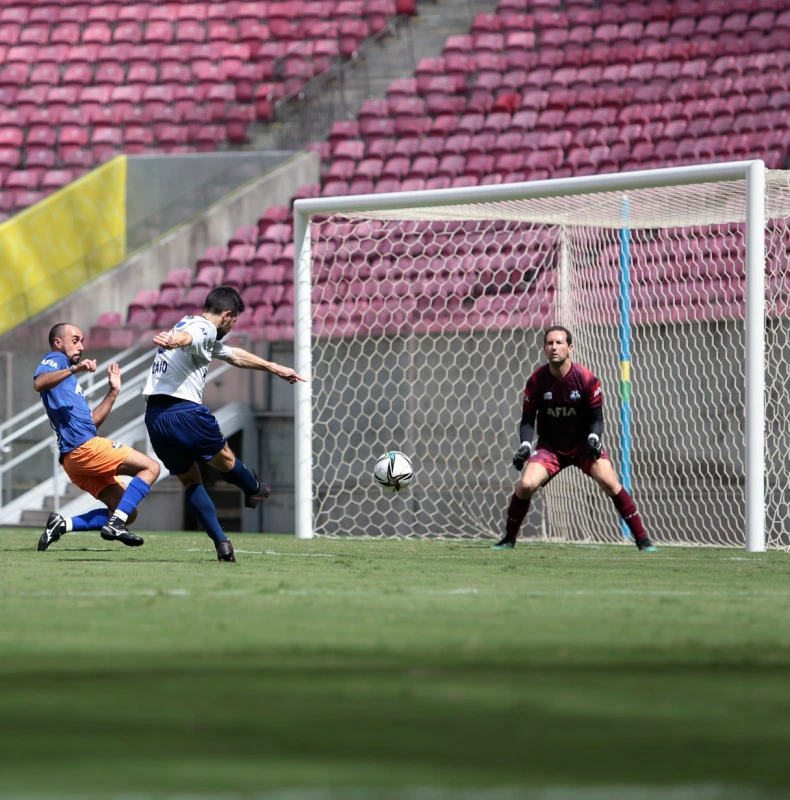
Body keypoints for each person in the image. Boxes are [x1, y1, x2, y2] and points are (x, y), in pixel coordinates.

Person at [143, 285, 306, 563]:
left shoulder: (191, 325)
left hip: (155, 418)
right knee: (226, 459)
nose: (232, 327)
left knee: (190, 479)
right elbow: (188, 337)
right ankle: (254, 490)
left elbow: (234, 355)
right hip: (184, 411)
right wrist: (175, 340)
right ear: (227, 314)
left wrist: (274, 367)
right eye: (234, 322)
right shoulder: (203, 328)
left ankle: (222, 542)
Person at [493, 325, 656, 552]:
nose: (554, 347)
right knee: (526, 484)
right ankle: (508, 539)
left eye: (559, 343)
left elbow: (597, 418)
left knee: (610, 482)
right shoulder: (536, 381)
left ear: (570, 348)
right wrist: (525, 444)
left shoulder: (587, 379)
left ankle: (642, 539)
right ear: (544, 349)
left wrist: (594, 438)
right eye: (550, 343)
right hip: (550, 448)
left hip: (582, 446)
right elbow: (528, 420)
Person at [34, 323, 161, 551]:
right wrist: (75, 369)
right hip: (83, 449)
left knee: (127, 511)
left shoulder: (67, 381)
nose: (81, 346)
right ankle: (116, 525)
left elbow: (91, 423)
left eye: (82, 341)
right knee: (151, 468)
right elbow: (39, 382)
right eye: (75, 340)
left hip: (74, 460)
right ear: (57, 342)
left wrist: (113, 392)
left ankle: (62, 525)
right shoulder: (56, 359)